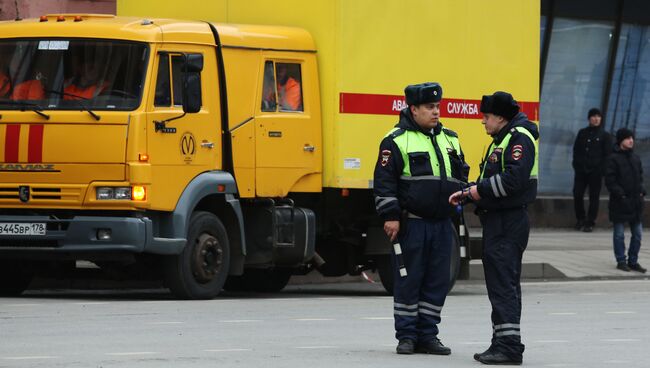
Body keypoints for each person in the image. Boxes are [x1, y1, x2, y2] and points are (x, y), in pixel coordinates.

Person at [374, 82, 468, 355]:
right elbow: (384, 182)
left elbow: (460, 173)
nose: (436, 112)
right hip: (412, 223)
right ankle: (406, 336)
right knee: (409, 279)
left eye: (437, 107)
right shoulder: (395, 139)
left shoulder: (451, 138)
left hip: (442, 224)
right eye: (429, 107)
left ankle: (428, 335)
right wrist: (391, 216)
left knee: (437, 280)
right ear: (413, 109)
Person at [449, 91, 538, 365]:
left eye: (486, 117)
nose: (483, 122)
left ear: (500, 117)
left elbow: (512, 180)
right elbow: (492, 179)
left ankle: (509, 347)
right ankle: (502, 342)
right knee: (501, 283)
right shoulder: (502, 139)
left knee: (503, 285)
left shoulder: (518, 138)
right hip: (499, 220)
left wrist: (476, 192)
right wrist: (469, 192)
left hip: (508, 222)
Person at [604, 128, 646, 273]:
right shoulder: (613, 159)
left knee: (638, 234)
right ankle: (621, 261)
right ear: (621, 140)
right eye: (628, 138)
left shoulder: (636, 158)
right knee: (619, 234)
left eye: (632, 138)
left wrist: (642, 191)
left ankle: (633, 261)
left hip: (635, 203)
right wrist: (621, 195)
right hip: (620, 203)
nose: (631, 140)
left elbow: (640, 178)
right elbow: (610, 181)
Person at [572, 108, 612, 232]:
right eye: (593, 116)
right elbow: (576, 150)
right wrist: (577, 165)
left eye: (598, 116)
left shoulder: (605, 135)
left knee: (594, 197)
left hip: (596, 172)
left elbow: (607, 155)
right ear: (589, 118)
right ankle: (580, 219)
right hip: (581, 171)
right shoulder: (582, 133)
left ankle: (590, 222)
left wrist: (601, 170)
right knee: (577, 194)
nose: (596, 119)